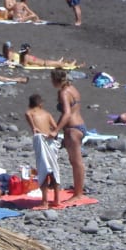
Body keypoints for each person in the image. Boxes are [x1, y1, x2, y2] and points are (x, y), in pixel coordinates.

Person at [51, 68, 86, 202]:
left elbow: (66, 113)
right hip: (79, 126)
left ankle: (78, 194)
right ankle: (78, 191)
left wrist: (56, 130)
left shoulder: (64, 93)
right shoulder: (72, 89)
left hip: (72, 129)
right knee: (75, 161)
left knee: (76, 162)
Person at [26, 94, 61, 208]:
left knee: (43, 169)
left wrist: (35, 128)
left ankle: (45, 201)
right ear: (40, 103)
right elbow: (55, 127)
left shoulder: (30, 113)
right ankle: (57, 199)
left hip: (40, 139)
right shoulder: (47, 114)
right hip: (50, 140)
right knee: (54, 168)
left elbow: (34, 128)